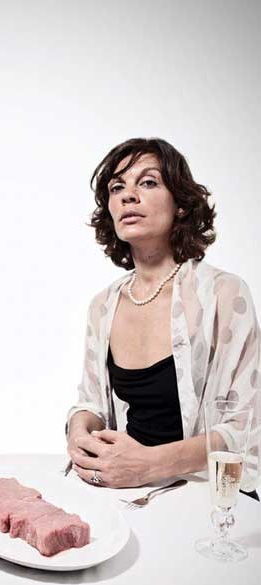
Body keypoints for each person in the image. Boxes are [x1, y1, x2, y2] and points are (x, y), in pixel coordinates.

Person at [67, 138, 260, 493]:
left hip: (209, 496)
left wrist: (148, 465)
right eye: (117, 188)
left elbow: (246, 427)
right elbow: (92, 403)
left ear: (181, 204)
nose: (128, 196)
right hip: (130, 494)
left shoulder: (224, 294)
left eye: (148, 182)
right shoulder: (103, 306)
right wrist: (78, 429)